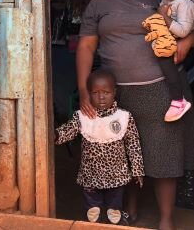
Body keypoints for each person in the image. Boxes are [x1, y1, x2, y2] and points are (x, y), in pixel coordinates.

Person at [76, 0, 194, 230]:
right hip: (116, 93)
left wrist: (184, 43)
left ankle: (167, 219)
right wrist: (84, 89)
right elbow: (85, 47)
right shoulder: (100, 3)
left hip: (160, 89)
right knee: (123, 154)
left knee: (163, 153)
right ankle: (129, 207)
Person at [56, 69, 144, 225]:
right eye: (95, 93)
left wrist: (137, 169)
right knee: (92, 204)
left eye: (106, 92)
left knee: (115, 202)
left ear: (114, 92)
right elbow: (69, 130)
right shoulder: (82, 116)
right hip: (91, 171)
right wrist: (55, 136)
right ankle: (93, 214)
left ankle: (113, 213)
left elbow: (133, 144)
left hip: (117, 172)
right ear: (88, 94)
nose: (101, 97)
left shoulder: (124, 117)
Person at [142, 0, 194, 122]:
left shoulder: (185, 4)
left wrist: (162, 16)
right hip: (170, 38)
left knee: (165, 60)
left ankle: (178, 100)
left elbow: (182, 31)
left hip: (180, 43)